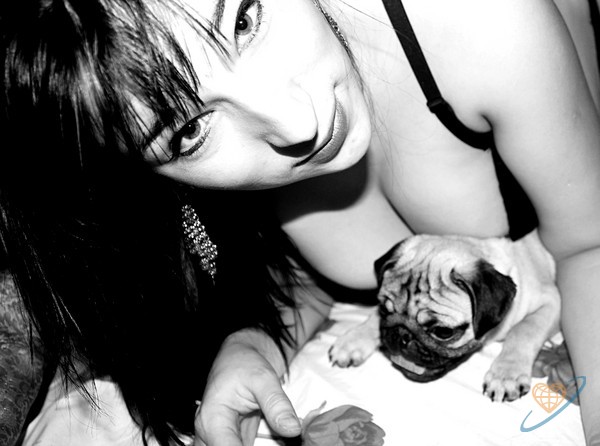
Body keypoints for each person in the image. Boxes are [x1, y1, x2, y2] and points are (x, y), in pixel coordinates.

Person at [1, 1, 599, 446]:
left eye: (244, 18)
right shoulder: (203, 198)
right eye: (189, 131)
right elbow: (306, 277)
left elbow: (589, 244)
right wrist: (254, 343)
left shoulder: (473, 19)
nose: (298, 124)